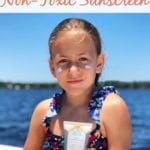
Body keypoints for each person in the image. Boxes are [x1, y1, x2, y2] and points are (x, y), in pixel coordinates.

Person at [24, 18, 132, 150]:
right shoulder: (44, 112)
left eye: (83, 59)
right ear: (52, 67)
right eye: (63, 61)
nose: (73, 71)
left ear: (99, 63)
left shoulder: (112, 108)